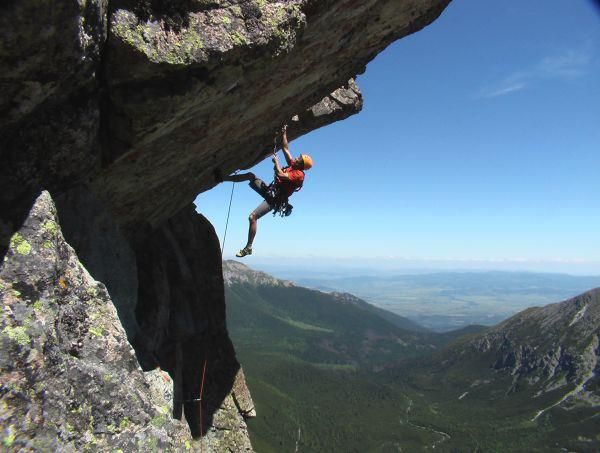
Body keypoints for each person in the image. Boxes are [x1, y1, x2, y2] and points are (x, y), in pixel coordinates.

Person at [217, 126, 313, 257]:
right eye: (297, 158)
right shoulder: (293, 165)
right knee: (251, 176)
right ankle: (223, 178)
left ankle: (248, 247)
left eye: (298, 159)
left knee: (252, 217)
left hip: (275, 200)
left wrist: (276, 162)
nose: (295, 158)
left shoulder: (299, 174)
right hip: (271, 191)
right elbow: (285, 148)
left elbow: (280, 175)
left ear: (301, 165)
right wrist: (284, 133)